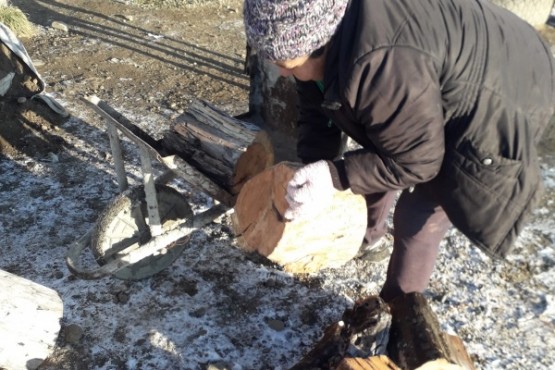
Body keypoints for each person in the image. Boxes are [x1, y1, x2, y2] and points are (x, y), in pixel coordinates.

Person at [243, 0, 555, 302]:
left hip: (508, 88)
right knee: (380, 144)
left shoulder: (380, 65)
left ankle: (397, 318)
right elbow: (319, 109)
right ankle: (363, 235)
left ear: (314, 44)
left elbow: (418, 160)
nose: (282, 73)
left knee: (417, 215)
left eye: (283, 63)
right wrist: (316, 170)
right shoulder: (329, 28)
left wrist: (335, 175)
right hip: (440, 62)